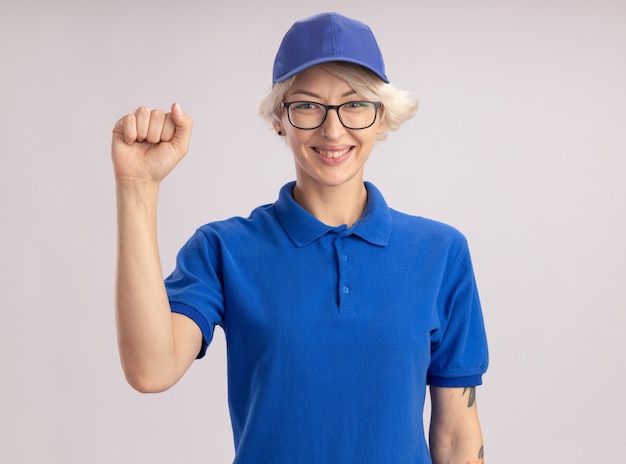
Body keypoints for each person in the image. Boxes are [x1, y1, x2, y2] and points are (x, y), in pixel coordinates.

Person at [111, 12, 488, 464]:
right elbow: (151, 370)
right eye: (308, 105)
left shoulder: (440, 253)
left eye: (354, 104)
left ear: (381, 117)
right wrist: (138, 189)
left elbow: (456, 438)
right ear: (278, 118)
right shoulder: (223, 250)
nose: (333, 129)